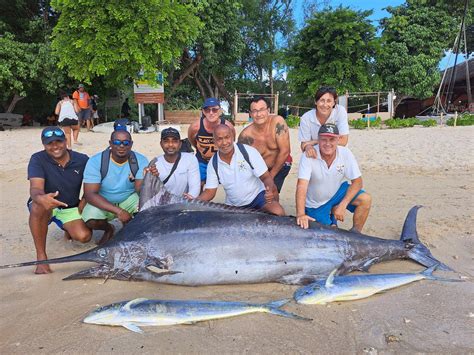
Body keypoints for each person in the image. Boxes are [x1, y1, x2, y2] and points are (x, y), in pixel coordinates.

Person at [27, 127, 91, 274]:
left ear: (66, 141)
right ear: (44, 145)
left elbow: (93, 181)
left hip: (69, 206)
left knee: (84, 236)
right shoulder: (37, 159)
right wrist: (41, 198)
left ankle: (67, 228)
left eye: (59, 141)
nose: (55, 146)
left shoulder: (82, 159)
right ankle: (41, 257)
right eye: (50, 143)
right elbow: (35, 188)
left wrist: (85, 199)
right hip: (46, 204)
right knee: (38, 206)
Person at [296, 124, 371, 232]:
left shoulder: (345, 153)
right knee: (329, 232)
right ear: (318, 139)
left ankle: (356, 233)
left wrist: (343, 204)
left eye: (332, 139)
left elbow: (358, 182)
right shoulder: (308, 155)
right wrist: (301, 214)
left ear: (338, 139)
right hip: (316, 204)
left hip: (336, 193)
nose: (327, 143)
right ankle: (331, 218)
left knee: (365, 199)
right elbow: (301, 186)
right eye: (323, 139)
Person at [196, 124, 285, 216]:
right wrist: (194, 202)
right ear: (214, 141)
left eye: (227, 137)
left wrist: (269, 190)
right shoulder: (213, 163)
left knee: (278, 212)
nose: (224, 142)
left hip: (258, 198)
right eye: (219, 139)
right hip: (234, 206)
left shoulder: (248, 152)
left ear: (233, 137)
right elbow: (210, 192)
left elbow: (266, 177)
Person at [82, 129, 149, 244]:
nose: (121, 146)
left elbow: (139, 190)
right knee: (91, 219)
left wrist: (149, 177)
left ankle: (128, 230)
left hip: (128, 197)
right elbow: (90, 194)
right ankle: (109, 229)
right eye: (117, 142)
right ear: (110, 143)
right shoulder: (96, 161)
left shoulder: (140, 160)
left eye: (126, 143)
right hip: (104, 199)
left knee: (147, 208)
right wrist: (119, 211)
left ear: (131, 144)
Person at [238, 96, 291, 193]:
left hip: (282, 163)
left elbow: (285, 151)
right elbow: (241, 162)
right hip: (260, 169)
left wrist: (270, 177)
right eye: (254, 111)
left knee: (272, 192)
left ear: (268, 110)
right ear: (250, 114)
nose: (258, 114)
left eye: (262, 110)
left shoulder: (277, 122)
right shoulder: (245, 136)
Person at [187, 98, 235, 186]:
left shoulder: (228, 126)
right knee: (197, 184)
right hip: (202, 161)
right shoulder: (195, 127)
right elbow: (192, 140)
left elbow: (232, 142)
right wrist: (201, 150)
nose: (211, 113)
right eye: (207, 110)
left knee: (229, 184)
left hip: (221, 161)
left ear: (220, 111)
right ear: (203, 112)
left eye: (214, 109)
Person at [299, 86, 350, 159]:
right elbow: (304, 144)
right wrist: (308, 147)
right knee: (305, 156)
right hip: (317, 155)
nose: (325, 105)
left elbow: (343, 141)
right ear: (316, 102)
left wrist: (313, 142)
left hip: (338, 155)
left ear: (334, 103)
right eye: (322, 100)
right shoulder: (306, 118)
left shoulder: (340, 111)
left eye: (329, 101)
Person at [149, 128, 200, 198]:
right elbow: (150, 192)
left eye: (175, 141)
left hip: (184, 202)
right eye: (166, 141)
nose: (170, 144)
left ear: (180, 144)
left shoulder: (190, 159)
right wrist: (151, 177)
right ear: (161, 144)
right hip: (162, 204)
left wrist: (190, 197)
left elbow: (195, 186)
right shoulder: (155, 164)